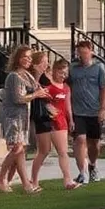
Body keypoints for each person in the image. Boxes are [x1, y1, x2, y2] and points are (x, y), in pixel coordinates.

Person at [0, 45, 48, 194]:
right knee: (17, 149)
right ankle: (2, 179)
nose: (28, 60)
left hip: (23, 117)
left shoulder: (26, 75)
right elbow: (18, 98)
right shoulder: (14, 76)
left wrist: (39, 73)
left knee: (20, 151)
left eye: (30, 57)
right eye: (25, 57)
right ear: (18, 58)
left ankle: (21, 183)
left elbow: (36, 87)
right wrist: (36, 95)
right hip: (13, 118)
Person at [69, 38, 105, 184]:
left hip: (94, 111)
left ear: (91, 52)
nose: (82, 56)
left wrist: (103, 108)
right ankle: (82, 172)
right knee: (80, 140)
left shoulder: (99, 68)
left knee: (94, 143)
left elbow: (104, 87)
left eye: (85, 53)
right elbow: (67, 87)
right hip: (78, 111)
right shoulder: (73, 69)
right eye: (80, 53)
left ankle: (92, 166)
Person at [33, 58, 78, 190]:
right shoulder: (48, 86)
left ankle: (67, 180)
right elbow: (41, 100)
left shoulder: (66, 88)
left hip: (61, 121)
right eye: (61, 73)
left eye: (65, 73)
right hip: (47, 121)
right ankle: (34, 180)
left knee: (63, 151)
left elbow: (68, 105)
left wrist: (71, 120)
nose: (63, 76)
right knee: (43, 151)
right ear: (54, 71)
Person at [27, 51, 55, 188]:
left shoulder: (45, 79)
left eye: (47, 61)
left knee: (45, 149)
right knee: (43, 149)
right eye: (44, 62)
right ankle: (33, 180)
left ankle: (33, 179)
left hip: (45, 114)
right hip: (36, 115)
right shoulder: (29, 79)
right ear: (36, 64)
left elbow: (51, 93)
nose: (46, 64)